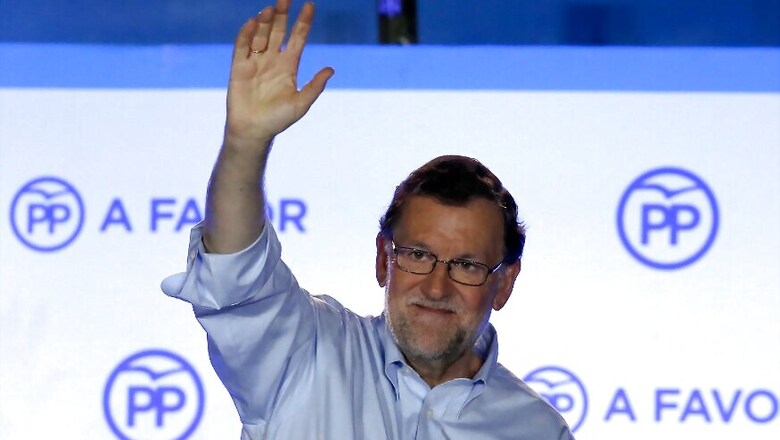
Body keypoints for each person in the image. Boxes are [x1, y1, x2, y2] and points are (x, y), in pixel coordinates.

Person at [162, 1, 574, 438]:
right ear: (383, 259)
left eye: (467, 265)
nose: (437, 288)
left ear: (505, 282)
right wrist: (245, 142)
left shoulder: (538, 430)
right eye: (418, 255)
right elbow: (236, 277)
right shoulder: (307, 354)